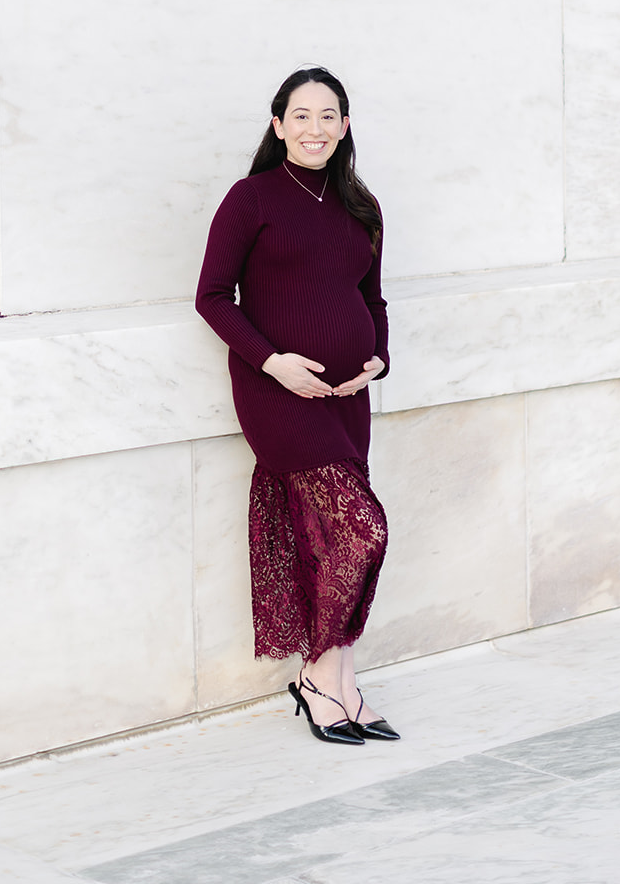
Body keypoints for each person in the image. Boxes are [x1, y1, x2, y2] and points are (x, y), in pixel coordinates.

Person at [196, 66, 399, 746]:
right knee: (362, 531)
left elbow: (371, 300)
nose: (315, 128)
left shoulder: (361, 206)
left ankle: (337, 678)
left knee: (334, 543)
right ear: (278, 124)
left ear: (345, 126)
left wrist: (377, 358)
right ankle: (317, 675)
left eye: (328, 115)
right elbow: (212, 297)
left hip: (347, 400)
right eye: (300, 115)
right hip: (276, 395)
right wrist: (274, 363)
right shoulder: (250, 199)